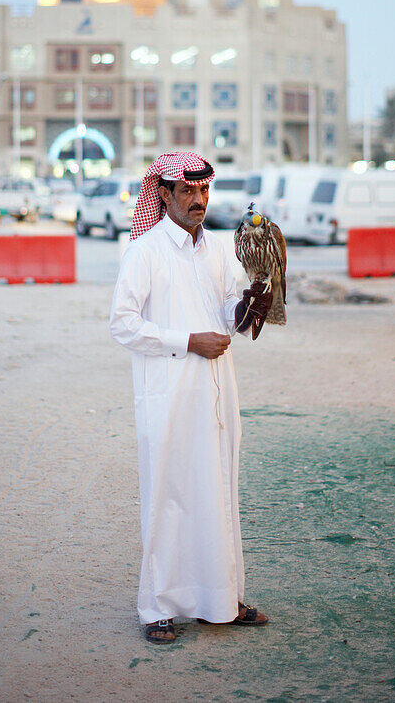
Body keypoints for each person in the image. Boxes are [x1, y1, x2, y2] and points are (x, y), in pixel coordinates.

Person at [109, 152, 272, 644]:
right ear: (163, 194)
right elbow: (123, 324)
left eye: (204, 191)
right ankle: (157, 607)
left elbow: (224, 311)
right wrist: (188, 341)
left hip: (217, 392)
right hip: (169, 395)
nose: (198, 200)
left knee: (217, 493)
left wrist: (247, 306)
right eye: (187, 192)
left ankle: (219, 600)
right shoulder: (146, 251)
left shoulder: (219, 248)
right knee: (169, 497)